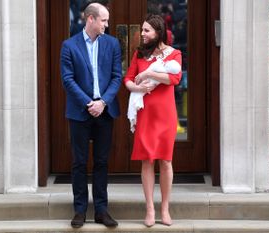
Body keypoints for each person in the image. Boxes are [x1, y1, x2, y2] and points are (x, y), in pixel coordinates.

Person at [60, 2, 122, 229]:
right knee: (78, 162)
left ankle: (101, 210)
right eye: (104, 20)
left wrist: (103, 102)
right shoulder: (69, 46)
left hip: (105, 112)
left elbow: (117, 77)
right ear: (90, 19)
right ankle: (79, 211)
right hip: (80, 112)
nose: (107, 24)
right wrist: (89, 103)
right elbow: (68, 80)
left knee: (102, 162)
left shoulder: (113, 44)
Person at [123, 14, 182, 227]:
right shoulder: (139, 53)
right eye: (143, 30)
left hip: (165, 114)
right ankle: (149, 209)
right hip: (145, 113)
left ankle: (165, 209)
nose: (143, 34)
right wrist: (137, 87)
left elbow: (174, 79)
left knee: (165, 161)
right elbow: (128, 79)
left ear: (158, 32)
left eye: (147, 30)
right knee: (147, 160)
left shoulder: (174, 54)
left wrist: (150, 73)